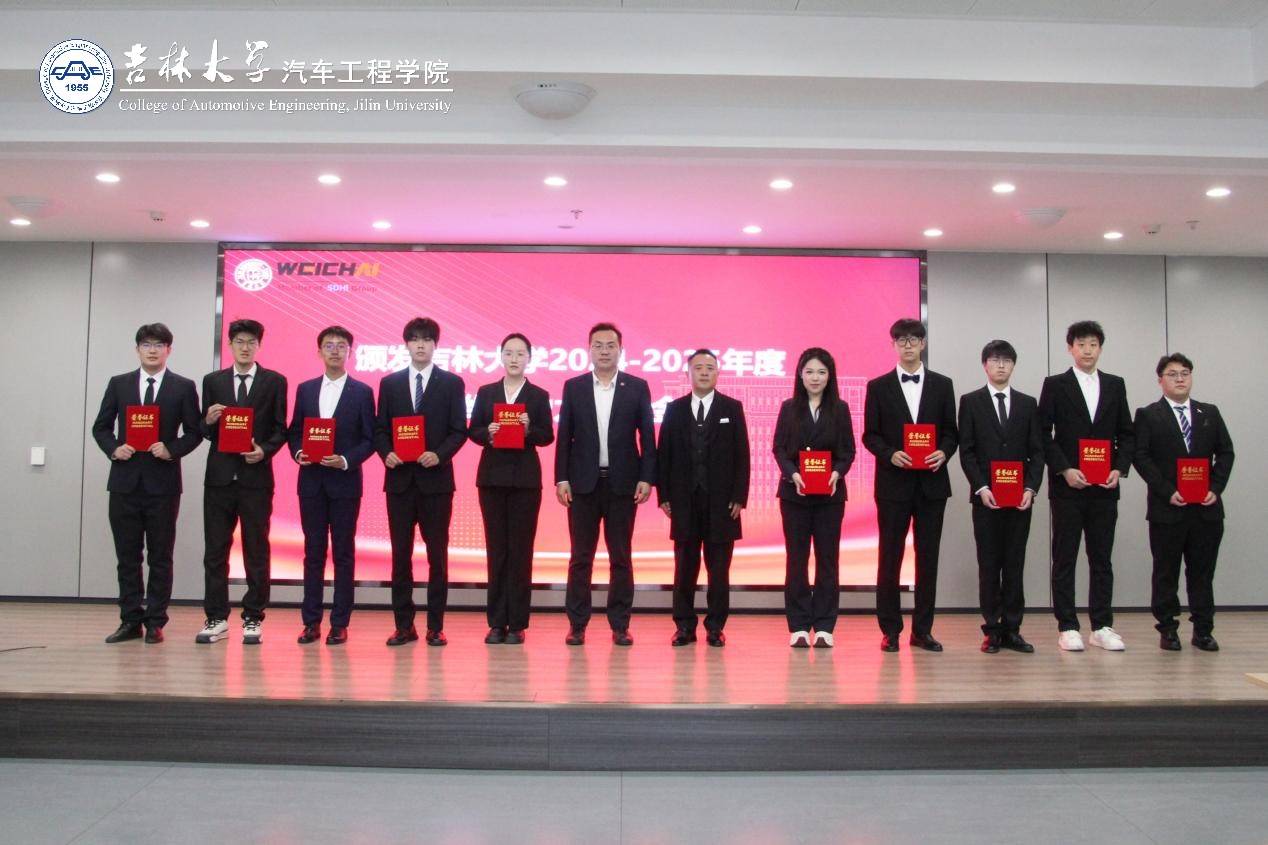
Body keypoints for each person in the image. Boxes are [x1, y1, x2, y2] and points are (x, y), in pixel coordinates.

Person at [91, 323, 202, 644]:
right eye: (146, 344)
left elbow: (195, 432)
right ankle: (130, 620)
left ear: (169, 349)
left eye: (159, 345)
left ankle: (155, 621)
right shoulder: (119, 384)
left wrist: (171, 449)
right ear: (137, 349)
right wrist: (114, 448)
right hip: (124, 483)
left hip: (163, 484)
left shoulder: (183, 387)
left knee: (160, 556)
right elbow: (101, 427)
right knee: (127, 557)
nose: (152, 350)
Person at [555, 322, 656, 646]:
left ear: (621, 350)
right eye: (598, 345)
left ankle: (620, 624)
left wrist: (647, 477)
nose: (604, 351)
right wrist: (561, 478)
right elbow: (564, 437)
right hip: (582, 485)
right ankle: (577, 624)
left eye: (610, 345)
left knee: (621, 557)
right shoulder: (574, 387)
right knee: (580, 558)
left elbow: (648, 438)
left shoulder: (637, 387)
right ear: (589, 350)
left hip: (622, 484)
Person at [1038, 320, 1134, 652]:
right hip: (1069, 486)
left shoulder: (1115, 384)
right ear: (1070, 348)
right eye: (1081, 344)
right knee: (1065, 557)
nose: (1087, 350)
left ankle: (1102, 625)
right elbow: (1042, 433)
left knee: (1102, 558)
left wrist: (1119, 468)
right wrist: (1064, 469)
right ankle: (1067, 626)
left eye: (1093, 344)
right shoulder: (1055, 384)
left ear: (1100, 348)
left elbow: (1127, 433)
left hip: (1105, 487)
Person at [863, 318, 958, 653]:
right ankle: (890, 630)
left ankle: (923, 630)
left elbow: (951, 432)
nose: (907, 345)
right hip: (893, 485)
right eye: (901, 340)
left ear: (923, 343)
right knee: (889, 557)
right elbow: (870, 435)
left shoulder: (943, 385)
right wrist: (890, 454)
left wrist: (943, 452)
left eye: (913, 339)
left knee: (928, 559)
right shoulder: (878, 386)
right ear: (893, 345)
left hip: (932, 484)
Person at [374, 317, 467, 647]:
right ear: (406, 344)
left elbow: (459, 430)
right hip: (399, 481)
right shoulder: (390, 383)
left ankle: (435, 626)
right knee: (400, 557)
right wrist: (386, 452)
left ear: (435, 345)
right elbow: (380, 429)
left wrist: (438, 455)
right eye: (414, 339)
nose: (420, 345)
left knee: (437, 556)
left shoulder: (452, 383)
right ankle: (404, 625)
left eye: (427, 339)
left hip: (436, 483)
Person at [1131, 353, 1234, 652]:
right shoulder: (1148, 414)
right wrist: (1166, 490)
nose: (1180, 379)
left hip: (1206, 509)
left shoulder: (1209, 412)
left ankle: (1203, 630)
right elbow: (1141, 456)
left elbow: (1226, 452)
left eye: (1185, 373)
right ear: (1160, 380)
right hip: (1168, 508)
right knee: (1166, 572)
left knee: (1202, 573)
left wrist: (1215, 488)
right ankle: (1168, 629)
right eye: (1173, 374)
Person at [197, 318, 289, 645]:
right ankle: (216, 617)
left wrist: (263, 451)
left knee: (256, 549)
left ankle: (253, 616)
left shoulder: (274, 381)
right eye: (239, 341)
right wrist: (208, 420)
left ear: (259, 345)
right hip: (219, 479)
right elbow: (205, 432)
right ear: (230, 344)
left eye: (251, 342)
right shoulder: (213, 381)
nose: (245, 347)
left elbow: (281, 428)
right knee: (215, 551)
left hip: (255, 478)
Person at [286, 325, 376, 646]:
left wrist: (346, 460)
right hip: (311, 483)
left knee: (343, 554)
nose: (335, 350)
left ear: (350, 352)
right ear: (319, 351)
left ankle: (340, 623)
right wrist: (299, 452)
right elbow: (295, 431)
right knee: (312, 553)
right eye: (329, 345)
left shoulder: (362, 392)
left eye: (341, 346)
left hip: (345, 483)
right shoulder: (306, 389)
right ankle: (311, 621)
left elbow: (370, 439)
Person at [657, 349, 751, 647]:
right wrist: (664, 495)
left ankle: (715, 626)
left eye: (710, 367)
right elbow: (664, 455)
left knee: (719, 569)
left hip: (722, 503)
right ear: (688, 373)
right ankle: (684, 626)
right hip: (684, 501)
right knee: (684, 567)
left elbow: (742, 455)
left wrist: (739, 496)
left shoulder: (732, 408)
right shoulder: (674, 409)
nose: (704, 372)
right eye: (698, 368)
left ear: (718, 373)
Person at [467, 333, 555, 645]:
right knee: (497, 551)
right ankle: (496, 623)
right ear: (501, 356)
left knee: (521, 551)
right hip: (491, 479)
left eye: (520, 353)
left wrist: (529, 430)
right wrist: (488, 433)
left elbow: (548, 435)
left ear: (529, 358)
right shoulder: (487, 392)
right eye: (509, 353)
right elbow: (473, 430)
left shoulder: (538, 395)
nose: (514, 359)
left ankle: (517, 623)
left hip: (525, 482)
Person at [957, 340, 1044, 654]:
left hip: (1020, 499)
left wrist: (1030, 489)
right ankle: (992, 630)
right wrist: (981, 487)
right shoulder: (970, 401)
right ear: (985, 365)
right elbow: (967, 451)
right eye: (995, 360)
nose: (1001, 365)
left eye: (1006, 360)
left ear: (1013, 365)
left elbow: (1037, 451)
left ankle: (1013, 629)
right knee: (989, 564)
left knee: (1015, 564)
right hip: (986, 499)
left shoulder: (1028, 403)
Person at [772, 347, 855, 648]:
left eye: (821, 372)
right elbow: (779, 449)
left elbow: (848, 451)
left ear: (830, 376)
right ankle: (797, 625)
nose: (815, 377)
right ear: (800, 375)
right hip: (794, 495)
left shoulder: (840, 409)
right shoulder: (788, 407)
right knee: (796, 559)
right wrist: (793, 473)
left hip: (830, 496)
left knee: (827, 560)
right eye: (809, 372)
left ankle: (824, 626)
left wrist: (837, 472)